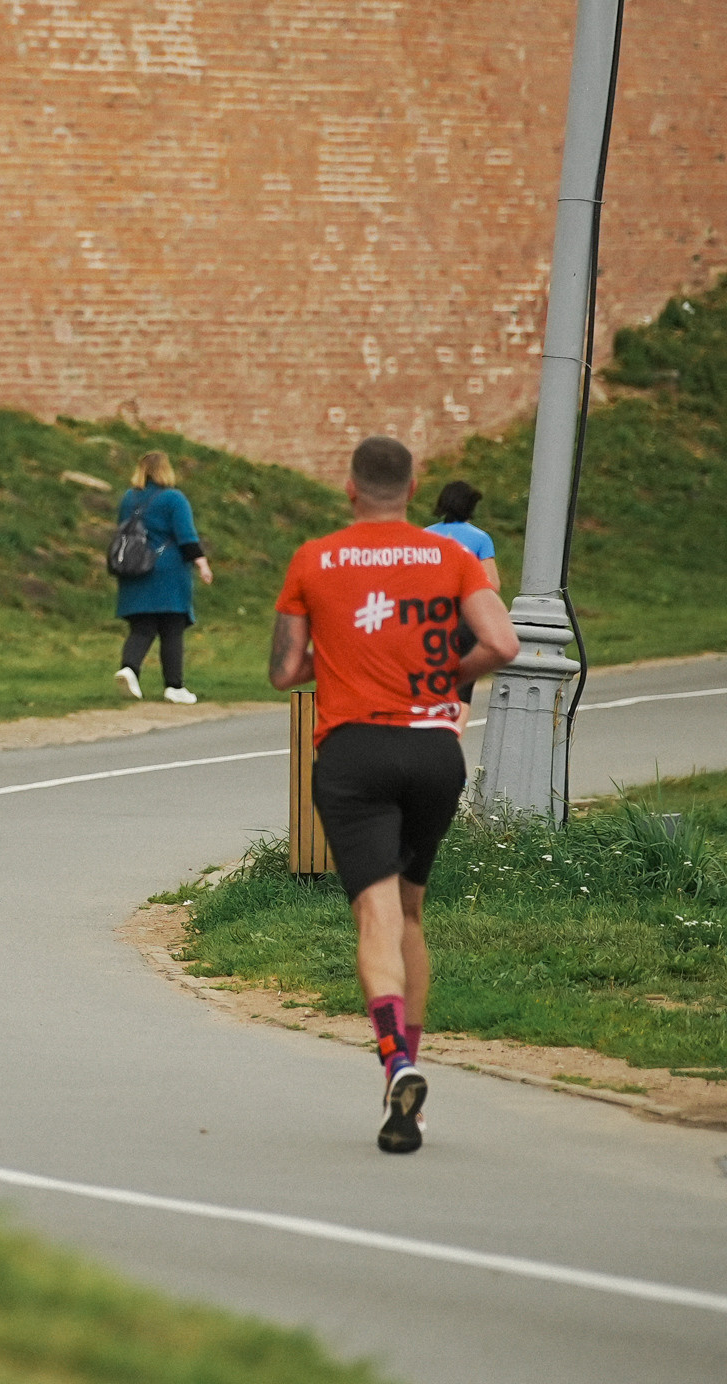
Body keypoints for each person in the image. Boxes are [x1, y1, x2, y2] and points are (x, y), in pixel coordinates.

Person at [269, 436, 518, 1154]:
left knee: (374, 915)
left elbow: (285, 670)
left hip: (355, 754)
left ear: (350, 489)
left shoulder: (314, 559)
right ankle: (412, 1078)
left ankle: (396, 1065)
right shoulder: (452, 556)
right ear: (412, 492)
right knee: (410, 911)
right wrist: (442, 677)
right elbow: (502, 644)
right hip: (434, 753)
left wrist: (340, 652)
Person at [111, 450, 214, 703]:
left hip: (134, 568)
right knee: (172, 628)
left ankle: (129, 670)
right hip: (168, 572)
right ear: (166, 470)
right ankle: (174, 686)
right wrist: (202, 564)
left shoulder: (128, 499)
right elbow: (186, 537)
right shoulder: (174, 499)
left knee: (142, 627)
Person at [422, 481, 505, 713]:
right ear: (470, 507)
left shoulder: (424, 535)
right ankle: (454, 732)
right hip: (464, 620)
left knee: (426, 682)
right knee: (461, 690)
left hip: (427, 619)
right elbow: (492, 584)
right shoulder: (480, 539)